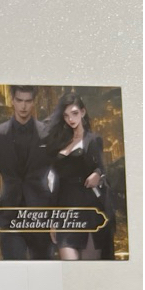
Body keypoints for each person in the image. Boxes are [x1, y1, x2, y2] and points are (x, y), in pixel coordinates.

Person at [0, 86, 53, 259]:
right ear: (12, 101)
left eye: (28, 101)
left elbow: (59, 173)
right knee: (13, 270)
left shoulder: (49, 134)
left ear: (33, 102)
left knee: (42, 270)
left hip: (41, 216)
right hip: (9, 215)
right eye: (20, 100)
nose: (23, 106)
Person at [45, 91, 112, 260]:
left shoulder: (93, 140)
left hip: (88, 208)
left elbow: (101, 167)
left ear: (83, 112)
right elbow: (55, 184)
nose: (71, 119)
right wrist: (53, 220)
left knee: (88, 270)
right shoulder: (60, 142)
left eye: (74, 113)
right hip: (65, 211)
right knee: (69, 267)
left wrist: (97, 174)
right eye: (66, 115)